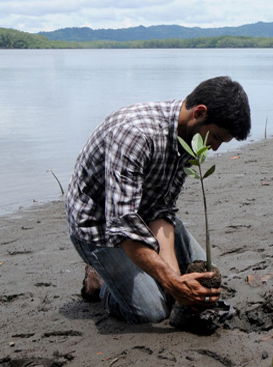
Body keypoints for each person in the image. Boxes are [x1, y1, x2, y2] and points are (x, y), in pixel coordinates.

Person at [66, 76, 251, 323]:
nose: (214, 148)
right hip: (100, 227)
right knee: (151, 312)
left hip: (142, 215)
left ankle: (149, 276)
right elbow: (122, 228)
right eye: (216, 137)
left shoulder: (190, 138)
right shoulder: (135, 134)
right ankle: (99, 281)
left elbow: (161, 213)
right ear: (199, 112)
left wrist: (174, 282)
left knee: (205, 279)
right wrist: (173, 283)